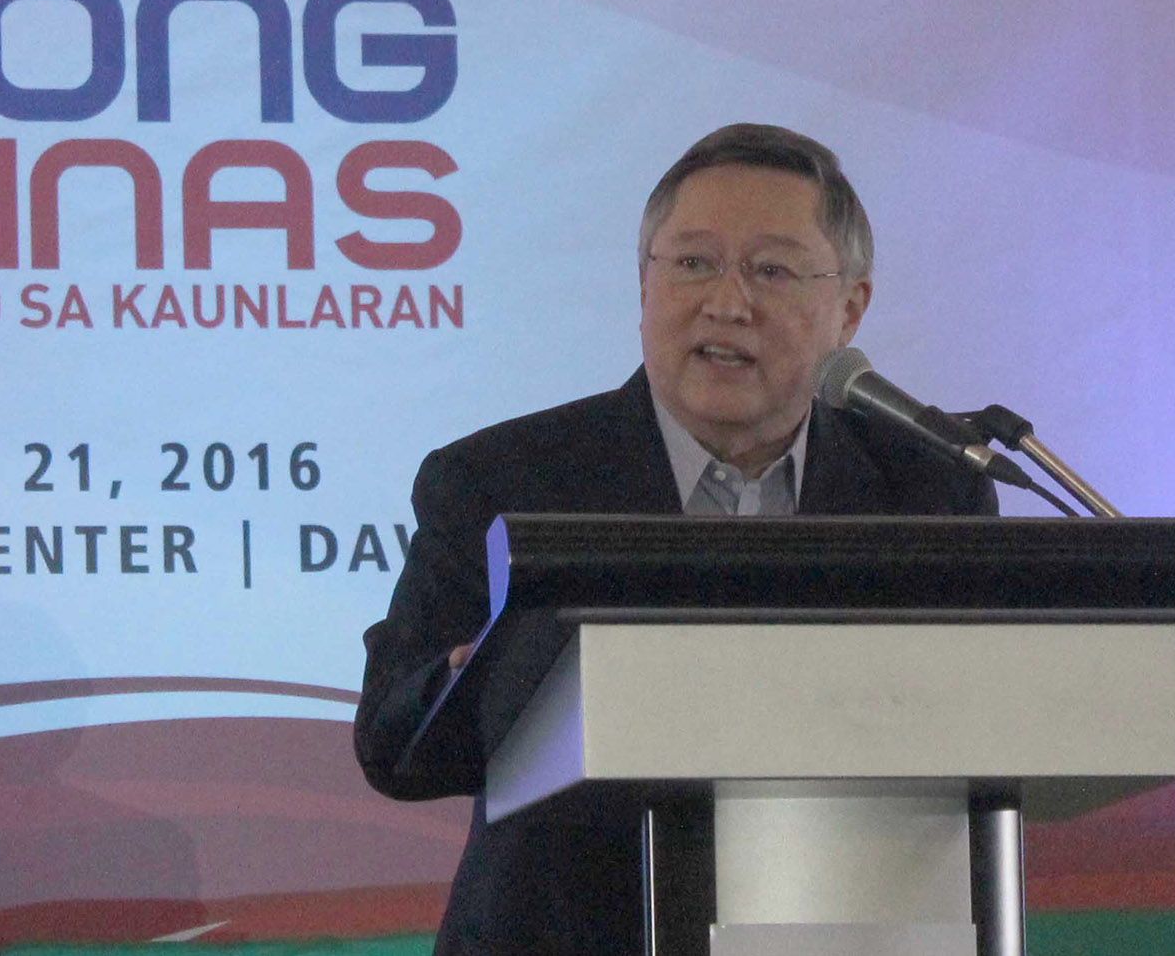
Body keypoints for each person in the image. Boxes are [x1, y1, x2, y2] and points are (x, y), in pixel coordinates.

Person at [352, 123, 998, 955]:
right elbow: (391, 746)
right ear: (644, 284)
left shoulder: (929, 489)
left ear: (851, 309)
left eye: (772, 270)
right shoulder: (504, 481)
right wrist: (477, 676)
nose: (727, 302)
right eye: (692, 262)